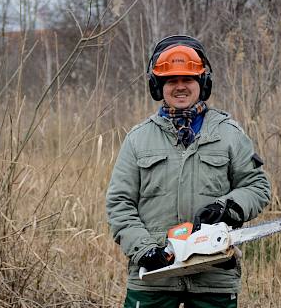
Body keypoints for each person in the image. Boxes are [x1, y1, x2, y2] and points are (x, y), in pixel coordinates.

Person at [106, 35, 271, 308]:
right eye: (172, 80)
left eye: (188, 79)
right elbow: (119, 204)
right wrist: (145, 250)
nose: (180, 87)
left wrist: (228, 207)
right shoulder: (138, 139)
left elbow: (257, 186)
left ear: (202, 84)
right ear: (158, 86)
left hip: (214, 273)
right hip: (154, 276)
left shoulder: (229, 134)